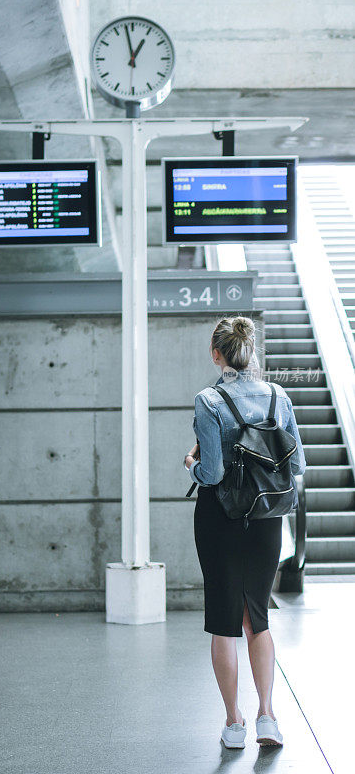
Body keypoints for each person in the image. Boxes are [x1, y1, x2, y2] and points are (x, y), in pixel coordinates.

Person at [184, 315, 306, 750]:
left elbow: (213, 473)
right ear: (250, 352)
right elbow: (298, 467)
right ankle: (267, 717)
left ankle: (234, 723)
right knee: (258, 616)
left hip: (221, 519)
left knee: (223, 620)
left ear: (217, 354)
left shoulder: (209, 400)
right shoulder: (278, 395)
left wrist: (191, 465)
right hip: (267, 517)